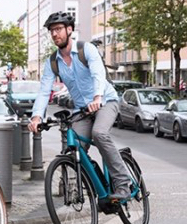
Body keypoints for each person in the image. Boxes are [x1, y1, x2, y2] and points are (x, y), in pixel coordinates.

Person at [28, 11, 132, 200]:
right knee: (74, 147)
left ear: (69, 30)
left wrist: (97, 97)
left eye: (58, 29)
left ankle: (123, 183)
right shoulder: (52, 62)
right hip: (82, 110)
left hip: (106, 101)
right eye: (51, 31)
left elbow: (98, 75)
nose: (54, 34)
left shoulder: (87, 49)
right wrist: (36, 117)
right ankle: (95, 187)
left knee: (99, 133)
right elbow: (44, 91)